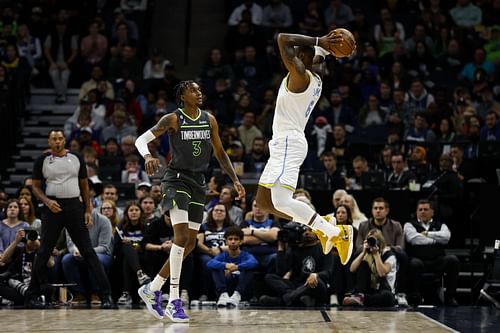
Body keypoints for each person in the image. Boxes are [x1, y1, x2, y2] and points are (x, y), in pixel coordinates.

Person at [135, 80, 246, 322]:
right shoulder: (173, 119)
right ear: (183, 96)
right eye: (193, 90)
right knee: (182, 237)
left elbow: (220, 153)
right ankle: (174, 300)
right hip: (175, 180)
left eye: (199, 89)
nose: (199, 92)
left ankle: (151, 288)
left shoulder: (210, 119)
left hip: (198, 182)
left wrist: (235, 179)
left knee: (191, 244)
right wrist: (147, 156)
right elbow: (140, 140)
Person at [254, 31, 353, 265]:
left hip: (288, 142)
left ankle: (337, 233)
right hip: (285, 143)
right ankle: (323, 223)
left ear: (300, 58)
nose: (293, 55)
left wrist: (320, 42)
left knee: (281, 201)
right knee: (264, 202)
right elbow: (317, 56)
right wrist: (325, 47)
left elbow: (281, 38)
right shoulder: (316, 75)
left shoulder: (300, 76)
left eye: (297, 54)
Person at [26, 130, 113, 309]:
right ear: (49, 141)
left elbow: (84, 184)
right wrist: (47, 201)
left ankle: (106, 295)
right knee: (44, 252)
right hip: (52, 208)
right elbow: (35, 186)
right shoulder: (42, 160)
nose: (57, 141)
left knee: (88, 251)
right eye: (54, 139)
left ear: (64, 140)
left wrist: (87, 209)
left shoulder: (76, 158)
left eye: (60, 138)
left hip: (74, 207)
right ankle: (32, 295)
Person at [260, 222, 333, 307]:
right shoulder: (295, 248)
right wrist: (281, 248)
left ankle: (283, 300)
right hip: (297, 285)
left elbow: (328, 272)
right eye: (304, 230)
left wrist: (316, 275)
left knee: (316, 282)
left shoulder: (324, 248)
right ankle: (299, 299)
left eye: (310, 230)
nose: (307, 232)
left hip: (315, 285)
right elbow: (281, 271)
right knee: (269, 277)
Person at [404, 200, 459, 306]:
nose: (423, 212)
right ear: (416, 212)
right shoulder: (409, 224)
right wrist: (435, 239)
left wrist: (427, 234)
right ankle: (415, 296)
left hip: (437, 261)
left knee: (453, 260)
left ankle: (449, 297)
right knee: (413, 264)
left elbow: (446, 237)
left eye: (426, 209)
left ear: (432, 212)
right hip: (419, 260)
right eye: (420, 210)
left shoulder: (440, 224)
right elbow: (413, 239)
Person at [343, 229, 397, 307]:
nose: (372, 243)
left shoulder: (389, 255)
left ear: (380, 242)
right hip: (368, 289)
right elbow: (352, 269)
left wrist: (376, 255)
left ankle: (361, 300)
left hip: (384, 289)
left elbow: (382, 273)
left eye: (374, 240)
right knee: (363, 264)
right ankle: (360, 297)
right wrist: (363, 252)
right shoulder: (366, 253)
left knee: (387, 297)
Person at [207, 227, 258, 307]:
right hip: (227, 286)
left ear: (241, 241)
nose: (233, 241)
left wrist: (237, 267)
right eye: (230, 239)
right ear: (226, 242)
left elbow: (254, 262)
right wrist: (225, 265)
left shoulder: (246, 255)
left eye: (236, 239)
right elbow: (210, 263)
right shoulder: (222, 255)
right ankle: (223, 295)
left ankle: (237, 295)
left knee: (249, 269)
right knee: (215, 268)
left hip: (242, 289)